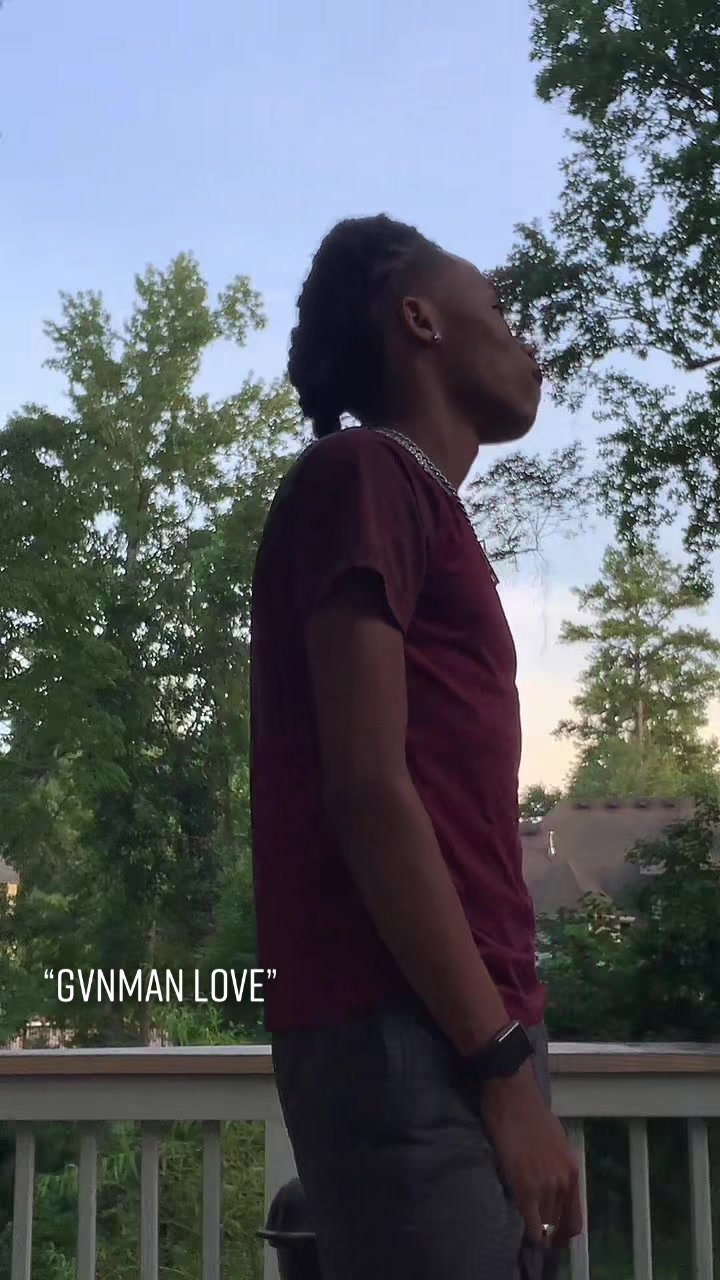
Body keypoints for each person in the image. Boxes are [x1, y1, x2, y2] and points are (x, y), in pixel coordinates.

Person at [250, 214, 583, 1280]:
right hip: (406, 1031)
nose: (526, 341)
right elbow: (366, 788)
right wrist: (498, 1066)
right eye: (501, 310)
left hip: (475, 1025)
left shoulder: (426, 508)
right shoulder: (364, 473)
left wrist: (509, 1053)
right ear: (421, 320)